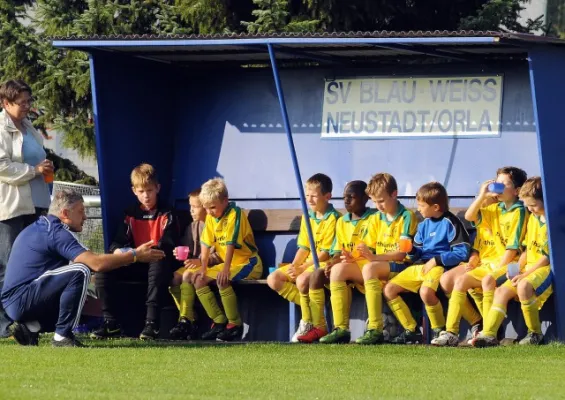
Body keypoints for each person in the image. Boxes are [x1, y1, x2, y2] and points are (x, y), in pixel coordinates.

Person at [0, 190, 164, 347]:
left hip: (17, 300)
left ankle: (31, 327)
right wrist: (135, 255)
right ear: (65, 213)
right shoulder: (56, 231)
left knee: (78, 282)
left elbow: (93, 261)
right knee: (81, 270)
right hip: (21, 298)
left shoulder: (44, 226)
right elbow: (96, 263)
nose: (85, 217)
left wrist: (121, 257)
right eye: (80, 211)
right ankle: (62, 337)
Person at [433, 167, 527, 346]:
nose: (497, 187)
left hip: (508, 264)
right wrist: (482, 196)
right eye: (496, 182)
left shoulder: (519, 211)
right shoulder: (496, 208)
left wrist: (497, 268)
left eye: (503, 184)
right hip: (488, 264)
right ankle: (451, 332)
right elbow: (470, 216)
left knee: (487, 281)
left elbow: (512, 248)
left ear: (516, 191)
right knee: (460, 282)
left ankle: (488, 332)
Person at [91, 164, 178, 340]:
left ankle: (151, 324)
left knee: (158, 261)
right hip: (136, 262)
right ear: (134, 191)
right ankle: (110, 322)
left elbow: (167, 244)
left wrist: (145, 253)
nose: (146, 195)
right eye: (142, 191)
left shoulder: (167, 213)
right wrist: (125, 253)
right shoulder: (129, 214)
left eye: (150, 190)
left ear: (158, 188)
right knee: (103, 271)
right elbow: (116, 244)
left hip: (159, 264)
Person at [383, 182, 471, 344]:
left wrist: (437, 259)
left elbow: (462, 252)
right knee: (389, 289)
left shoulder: (451, 223)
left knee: (425, 292)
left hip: (440, 267)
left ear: (436, 207)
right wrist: (409, 249)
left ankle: (439, 330)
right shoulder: (424, 225)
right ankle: (411, 330)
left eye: (422, 206)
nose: (419, 209)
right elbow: (417, 253)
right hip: (423, 266)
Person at [0, 79, 54, 337]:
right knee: (8, 264)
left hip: (35, 204)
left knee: (31, 264)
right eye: (21, 103)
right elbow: (2, 167)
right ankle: (4, 322)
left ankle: (25, 317)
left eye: (29, 102)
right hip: (10, 207)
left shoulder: (28, 126)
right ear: (5, 103)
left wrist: (45, 167)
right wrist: (34, 171)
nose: (26, 107)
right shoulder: (1, 128)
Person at [473, 177, 552, 347]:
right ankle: (489, 334)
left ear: (545, 199)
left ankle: (535, 333)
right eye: (527, 206)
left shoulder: (551, 223)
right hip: (527, 267)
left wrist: (525, 275)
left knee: (523, 286)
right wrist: (516, 268)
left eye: (533, 205)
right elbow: (526, 250)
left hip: (543, 269)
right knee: (501, 291)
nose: (530, 209)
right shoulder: (532, 218)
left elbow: (546, 259)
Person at [266, 173, 340, 342]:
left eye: (314, 196)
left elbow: (325, 253)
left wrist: (301, 269)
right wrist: (294, 266)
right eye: (307, 195)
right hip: (307, 263)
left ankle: (309, 321)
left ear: (327, 196)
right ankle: (311, 313)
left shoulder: (333, 218)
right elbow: (303, 247)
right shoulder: (308, 217)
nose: (310, 200)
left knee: (301, 280)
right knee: (274, 279)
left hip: (324, 263)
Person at [193, 178, 263, 341]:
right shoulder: (211, 217)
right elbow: (205, 243)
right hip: (228, 264)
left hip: (248, 263)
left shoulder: (235, 213)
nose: (209, 211)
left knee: (222, 279)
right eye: (206, 207)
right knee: (198, 280)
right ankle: (218, 321)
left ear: (225, 201)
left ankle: (234, 325)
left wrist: (225, 270)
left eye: (213, 207)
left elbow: (231, 243)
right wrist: (203, 268)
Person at [355, 173, 418, 345]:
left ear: (394, 194)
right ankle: (340, 329)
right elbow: (367, 247)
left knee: (369, 269)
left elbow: (401, 254)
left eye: (381, 201)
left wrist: (374, 257)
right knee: (339, 271)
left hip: (402, 266)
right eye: (374, 202)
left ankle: (374, 328)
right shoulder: (375, 218)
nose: (378, 206)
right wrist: (351, 256)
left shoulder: (407, 216)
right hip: (380, 265)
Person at [312, 180, 375, 344]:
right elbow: (337, 251)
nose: (346, 201)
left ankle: (343, 328)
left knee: (339, 271)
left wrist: (342, 262)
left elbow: (374, 250)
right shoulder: (342, 221)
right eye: (344, 197)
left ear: (365, 198)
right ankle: (319, 326)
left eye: (351, 197)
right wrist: (333, 262)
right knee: (318, 274)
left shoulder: (373, 218)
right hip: (347, 267)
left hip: (367, 267)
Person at [168, 188, 221, 340]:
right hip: (196, 264)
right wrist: (180, 253)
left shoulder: (215, 226)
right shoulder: (193, 226)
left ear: (206, 207)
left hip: (211, 265)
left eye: (195, 207)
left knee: (186, 275)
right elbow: (189, 250)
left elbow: (220, 254)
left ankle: (185, 320)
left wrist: (203, 260)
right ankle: (189, 317)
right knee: (174, 278)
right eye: (190, 206)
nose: (191, 211)